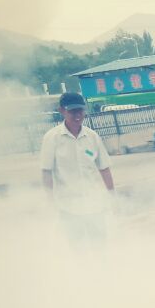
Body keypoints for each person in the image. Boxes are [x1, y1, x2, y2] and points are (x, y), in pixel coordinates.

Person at [40, 92, 114, 250]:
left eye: (80, 110)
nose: (77, 115)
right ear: (62, 111)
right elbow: (46, 172)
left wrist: (111, 195)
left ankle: (102, 265)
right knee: (77, 246)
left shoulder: (92, 137)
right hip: (68, 205)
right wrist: (50, 200)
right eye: (72, 111)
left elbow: (104, 168)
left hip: (94, 203)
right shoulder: (52, 138)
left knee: (100, 244)